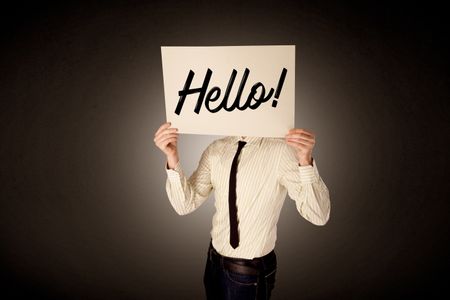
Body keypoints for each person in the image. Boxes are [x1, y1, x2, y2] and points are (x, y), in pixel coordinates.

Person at [154, 121, 331, 300]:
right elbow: (185, 204)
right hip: (213, 262)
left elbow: (318, 215)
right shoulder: (216, 149)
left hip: (249, 272)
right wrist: (172, 157)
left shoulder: (281, 151)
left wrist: (305, 161)